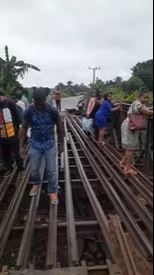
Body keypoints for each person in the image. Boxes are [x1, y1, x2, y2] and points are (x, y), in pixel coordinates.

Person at [20, 87, 64, 205]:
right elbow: (24, 127)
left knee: (51, 171)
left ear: (45, 99)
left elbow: (59, 127)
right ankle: (36, 183)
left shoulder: (52, 110)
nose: (39, 105)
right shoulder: (29, 111)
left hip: (49, 144)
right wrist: (21, 146)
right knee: (34, 169)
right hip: (35, 144)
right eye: (36, 102)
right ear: (34, 100)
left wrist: (61, 143)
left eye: (41, 102)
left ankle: (52, 191)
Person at [120, 90, 153, 175]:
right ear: (139, 97)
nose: (146, 99)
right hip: (130, 127)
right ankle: (127, 168)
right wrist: (150, 111)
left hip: (132, 126)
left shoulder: (137, 103)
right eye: (144, 97)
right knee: (130, 148)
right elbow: (147, 111)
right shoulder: (137, 103)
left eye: (147, 98)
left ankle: (123, 162)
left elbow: (146, 109)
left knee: (130, 147)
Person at [0, 88, 24, 175]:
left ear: (2, 96)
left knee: (16, 152)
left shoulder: (10, 103)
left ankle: (20, 167)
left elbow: (18, 116)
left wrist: (19, 129)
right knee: (5, 153)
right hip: (2, 134)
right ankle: (9, 168)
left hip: (12, 132)